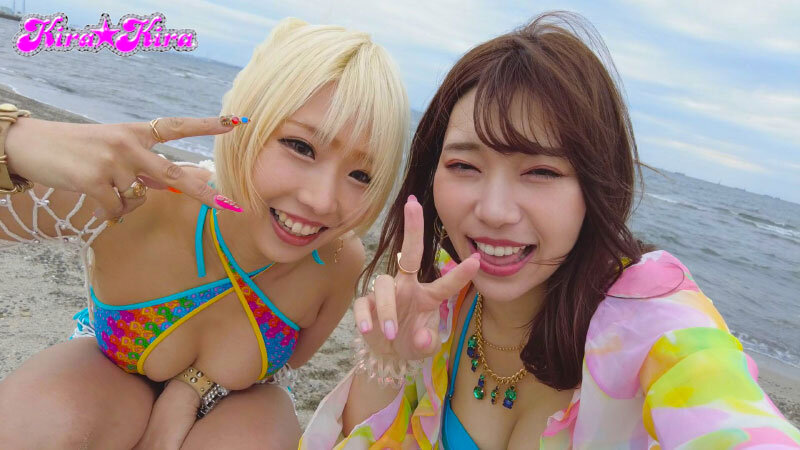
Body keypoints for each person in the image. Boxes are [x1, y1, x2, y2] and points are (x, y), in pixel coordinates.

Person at [300, 12, 800, 449]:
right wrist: (387, 359)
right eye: (464, 166)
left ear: (596, 186)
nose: (494, 211)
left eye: (541, 171)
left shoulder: (652, 319)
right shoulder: (445, 304)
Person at [0, 18, 408, 448]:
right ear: (242, 124)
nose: (323, 201)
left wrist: (191, 389)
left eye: (362, 175)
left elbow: (293, 362)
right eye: (301, 147)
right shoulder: (137, 199)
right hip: (104, 376)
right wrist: (16, 139)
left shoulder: (339, 260)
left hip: (238, 408)